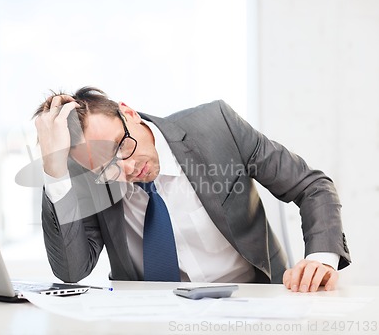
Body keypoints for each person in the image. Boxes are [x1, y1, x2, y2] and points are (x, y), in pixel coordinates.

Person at [33, 86, 350, 293]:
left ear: (128, 112)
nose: (126, 169)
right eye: (106, 167)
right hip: (149, 321)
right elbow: (72, 270)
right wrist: (54, 169)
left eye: (121, 145)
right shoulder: (93, 180)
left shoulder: (215, 125)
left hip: (253, 306)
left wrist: (321, 260)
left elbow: (311, 186)